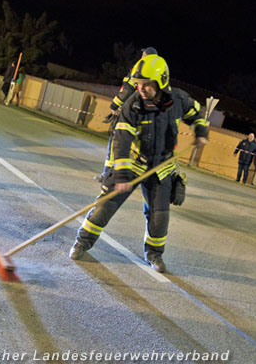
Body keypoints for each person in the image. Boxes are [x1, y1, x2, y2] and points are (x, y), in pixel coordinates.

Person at [69, 54, 209, 273]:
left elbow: (196, 115)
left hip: (162, 167)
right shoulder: (133, 105)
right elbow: (122, 140)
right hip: (133, 163)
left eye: (147, 84)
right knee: (105, 206)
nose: (141, 89)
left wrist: (200, 132)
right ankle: (82, 243)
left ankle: (154, 256)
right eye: (139, 84)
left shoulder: (179, 100)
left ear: (161, 81)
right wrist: (123, 175)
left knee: (159, 216)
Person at [97, 47, 158, 182]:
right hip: (143, 116)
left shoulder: (139, 69)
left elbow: (128, 89)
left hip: (128, 112)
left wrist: (114, 105)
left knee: (115, 143)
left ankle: (108, 175)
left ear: (145, 56)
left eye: (143, 54)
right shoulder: (157, 74)